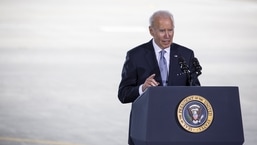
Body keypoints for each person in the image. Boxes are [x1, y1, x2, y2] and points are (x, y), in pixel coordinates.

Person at [117, 10, 201, 145]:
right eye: (162, 31)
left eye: (171, 30)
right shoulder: (135, 55)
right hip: (147, 127)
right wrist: (142, 88)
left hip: (178, 127)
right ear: (151, 31)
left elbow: (196, 91)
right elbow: (123, 94)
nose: (167, 36)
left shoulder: (186, 54)